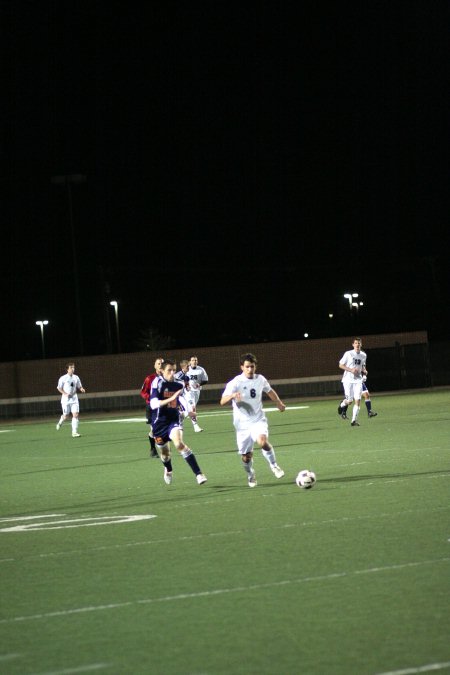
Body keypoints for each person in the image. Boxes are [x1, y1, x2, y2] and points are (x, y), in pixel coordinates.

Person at [220, 352, 285, 488]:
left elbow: (270, 391)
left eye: (252, 367)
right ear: (242, 367)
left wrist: (278, 402)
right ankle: (250, 474)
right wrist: (232, 395)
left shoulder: (260, 379)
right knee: (246, 456)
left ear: (255, 367)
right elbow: (222, 401)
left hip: (257, 420)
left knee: (263, 442)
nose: (250, 370)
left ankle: (274, 466)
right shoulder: (235, 382)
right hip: (242, 425)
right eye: (247, 367)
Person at [150, 359, 207, 486]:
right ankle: (169, 469)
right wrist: (170, 398)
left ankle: (199, 474)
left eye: (174, 370)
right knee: (165, 455)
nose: (172, 373)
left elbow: (182, 397)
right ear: (162, 371)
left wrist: (188, 411)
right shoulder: (157, 383)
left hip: (173, 420)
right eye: (169, 370)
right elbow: (153, 404)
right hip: (159, 423)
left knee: (179, 444)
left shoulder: (179, 384)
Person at [337, 337, 368, 427]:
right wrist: (350, 370)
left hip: (358, 380)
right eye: (356, 343)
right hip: (348, 380)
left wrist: (364, 370)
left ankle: (354, 420)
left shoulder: (363, 355)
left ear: (361, 344)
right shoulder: (348, 353)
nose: (357, 345)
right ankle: (342, 404)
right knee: (350, 401)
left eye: (359, 343)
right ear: (353, 344)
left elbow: (362, 365)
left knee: (357, 400)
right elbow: (341, 365)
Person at [140, 357, 164, 457]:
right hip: (152, 408)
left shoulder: (168, 378)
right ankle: (154, 449)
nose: (160, 365)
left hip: (163, 407)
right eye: (158, 363)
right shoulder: (149, 378)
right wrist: (151, 399)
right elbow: (143, 392)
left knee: (160, 429)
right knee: (155, 429)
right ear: (155, 366)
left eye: (162, 363)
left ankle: (158, 447)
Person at [56, 363, 86, 437]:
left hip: (74, 398)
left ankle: (74, 432)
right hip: (66, 400)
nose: (73, 369)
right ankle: (60, 422)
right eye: (71, 368)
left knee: (75, 415)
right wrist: (65, 393)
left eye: (73, 367)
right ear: (67, 369)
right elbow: (59, 388)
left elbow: (79, 386)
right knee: (66, 416)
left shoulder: (76, 377)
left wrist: (81, 389)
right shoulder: (63, 378)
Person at [175, 359, 203, 433]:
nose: (189, 367)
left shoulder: (187, 376)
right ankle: (179, 424)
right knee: (186, 412)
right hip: (177, 397)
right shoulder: (177, 376)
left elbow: (186, 386)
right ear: (183, 367)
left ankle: (194, 426)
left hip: (184, 396)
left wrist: (188, 387)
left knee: (191, 409)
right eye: (187, 366)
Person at [186, 355, 209, 432]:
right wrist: (186, 385)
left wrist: (200, 384)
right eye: (193, 360)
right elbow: (181, 378)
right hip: (188, 392)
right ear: (190, 362)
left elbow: (205, 380)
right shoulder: (186, 369)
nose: (194, 361)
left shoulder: (201, 369)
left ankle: (181, 416)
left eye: (196, 360)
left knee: (189, 409)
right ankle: (196, 426)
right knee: (193, 407)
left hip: (197, 391)